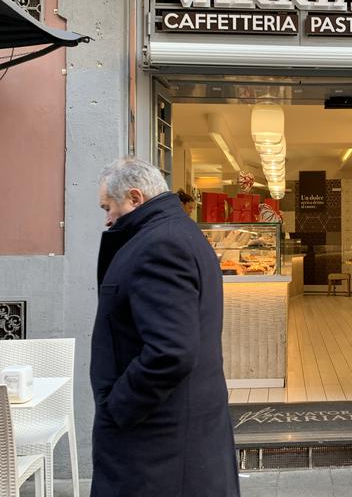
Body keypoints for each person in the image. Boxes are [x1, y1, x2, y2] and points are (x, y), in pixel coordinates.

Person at [91, 157, 239, 497]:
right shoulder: (177, 232)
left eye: (108, 206)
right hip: (176, 434)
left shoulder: (159, 245)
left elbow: (171, 351)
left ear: (134, 198)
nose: (107, 218)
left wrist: (118, 406)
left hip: (159, 441)